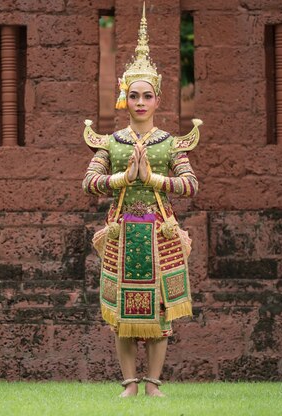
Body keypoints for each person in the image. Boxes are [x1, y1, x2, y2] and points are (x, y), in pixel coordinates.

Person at [82, 3, 202, 398]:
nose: (139, 102)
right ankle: (129, 384)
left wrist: (154, 179)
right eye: (132, 95)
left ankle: (153, 385)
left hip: (160, 233)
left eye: (146, 96)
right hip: (121, 233)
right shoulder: (111, 142)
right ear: (124, 97)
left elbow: (190, 184)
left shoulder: (169, 143)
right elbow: (90, 182)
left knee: (161, 313)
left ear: (157, 99)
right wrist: (123, 177)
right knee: (123, 317)